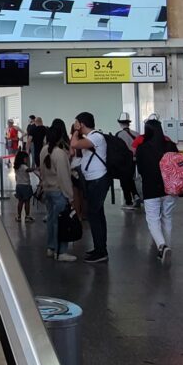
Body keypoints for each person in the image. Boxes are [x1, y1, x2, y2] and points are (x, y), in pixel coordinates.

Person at [134, 117, 180, 264]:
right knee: (167, 217)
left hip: (151, 188)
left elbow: (140, 170)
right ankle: (167, 246)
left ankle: (162, 246)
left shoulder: (143, 148)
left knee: (153, 219)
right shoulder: (171, 145)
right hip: (171, 187)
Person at [71, 112, 110, 264]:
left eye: (77, 123)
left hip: (98, 180)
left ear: (82, 123)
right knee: (97, 215)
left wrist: (75, 130)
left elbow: (74, 144)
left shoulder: (96, 137)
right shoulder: (90, 138)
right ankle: (99, 248)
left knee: (94, 215)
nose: (75, 125)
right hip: (93, 180)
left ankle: (101, 251)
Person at [39, 120, 76, 261]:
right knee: (62, 222)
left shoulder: (43, 150)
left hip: (48, 190)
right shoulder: (60, 154)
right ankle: (61, 252)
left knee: (51, 220)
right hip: (59, 192)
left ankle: (51, 247)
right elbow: (64, 177)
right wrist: (70, 196)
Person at [115, 112, 141, 211]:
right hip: (134, 161)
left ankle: (129, 201)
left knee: (124, 181)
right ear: (128, 123)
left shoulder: (118, 135)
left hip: (123, 162)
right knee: (130, 179)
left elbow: (116, 150)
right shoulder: (137, 134)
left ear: (120, 123)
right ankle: (136, 196)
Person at [12, 150, 34, 223]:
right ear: (22, 158)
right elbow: (28, 170)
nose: (27, 160)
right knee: (27, 202)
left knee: (20, 202)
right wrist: (35, 169)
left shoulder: (16, 167)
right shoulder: (24, 166)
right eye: (26, 158)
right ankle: (27, 216)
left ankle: (18, 216)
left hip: (18, 186)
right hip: (26, 186)